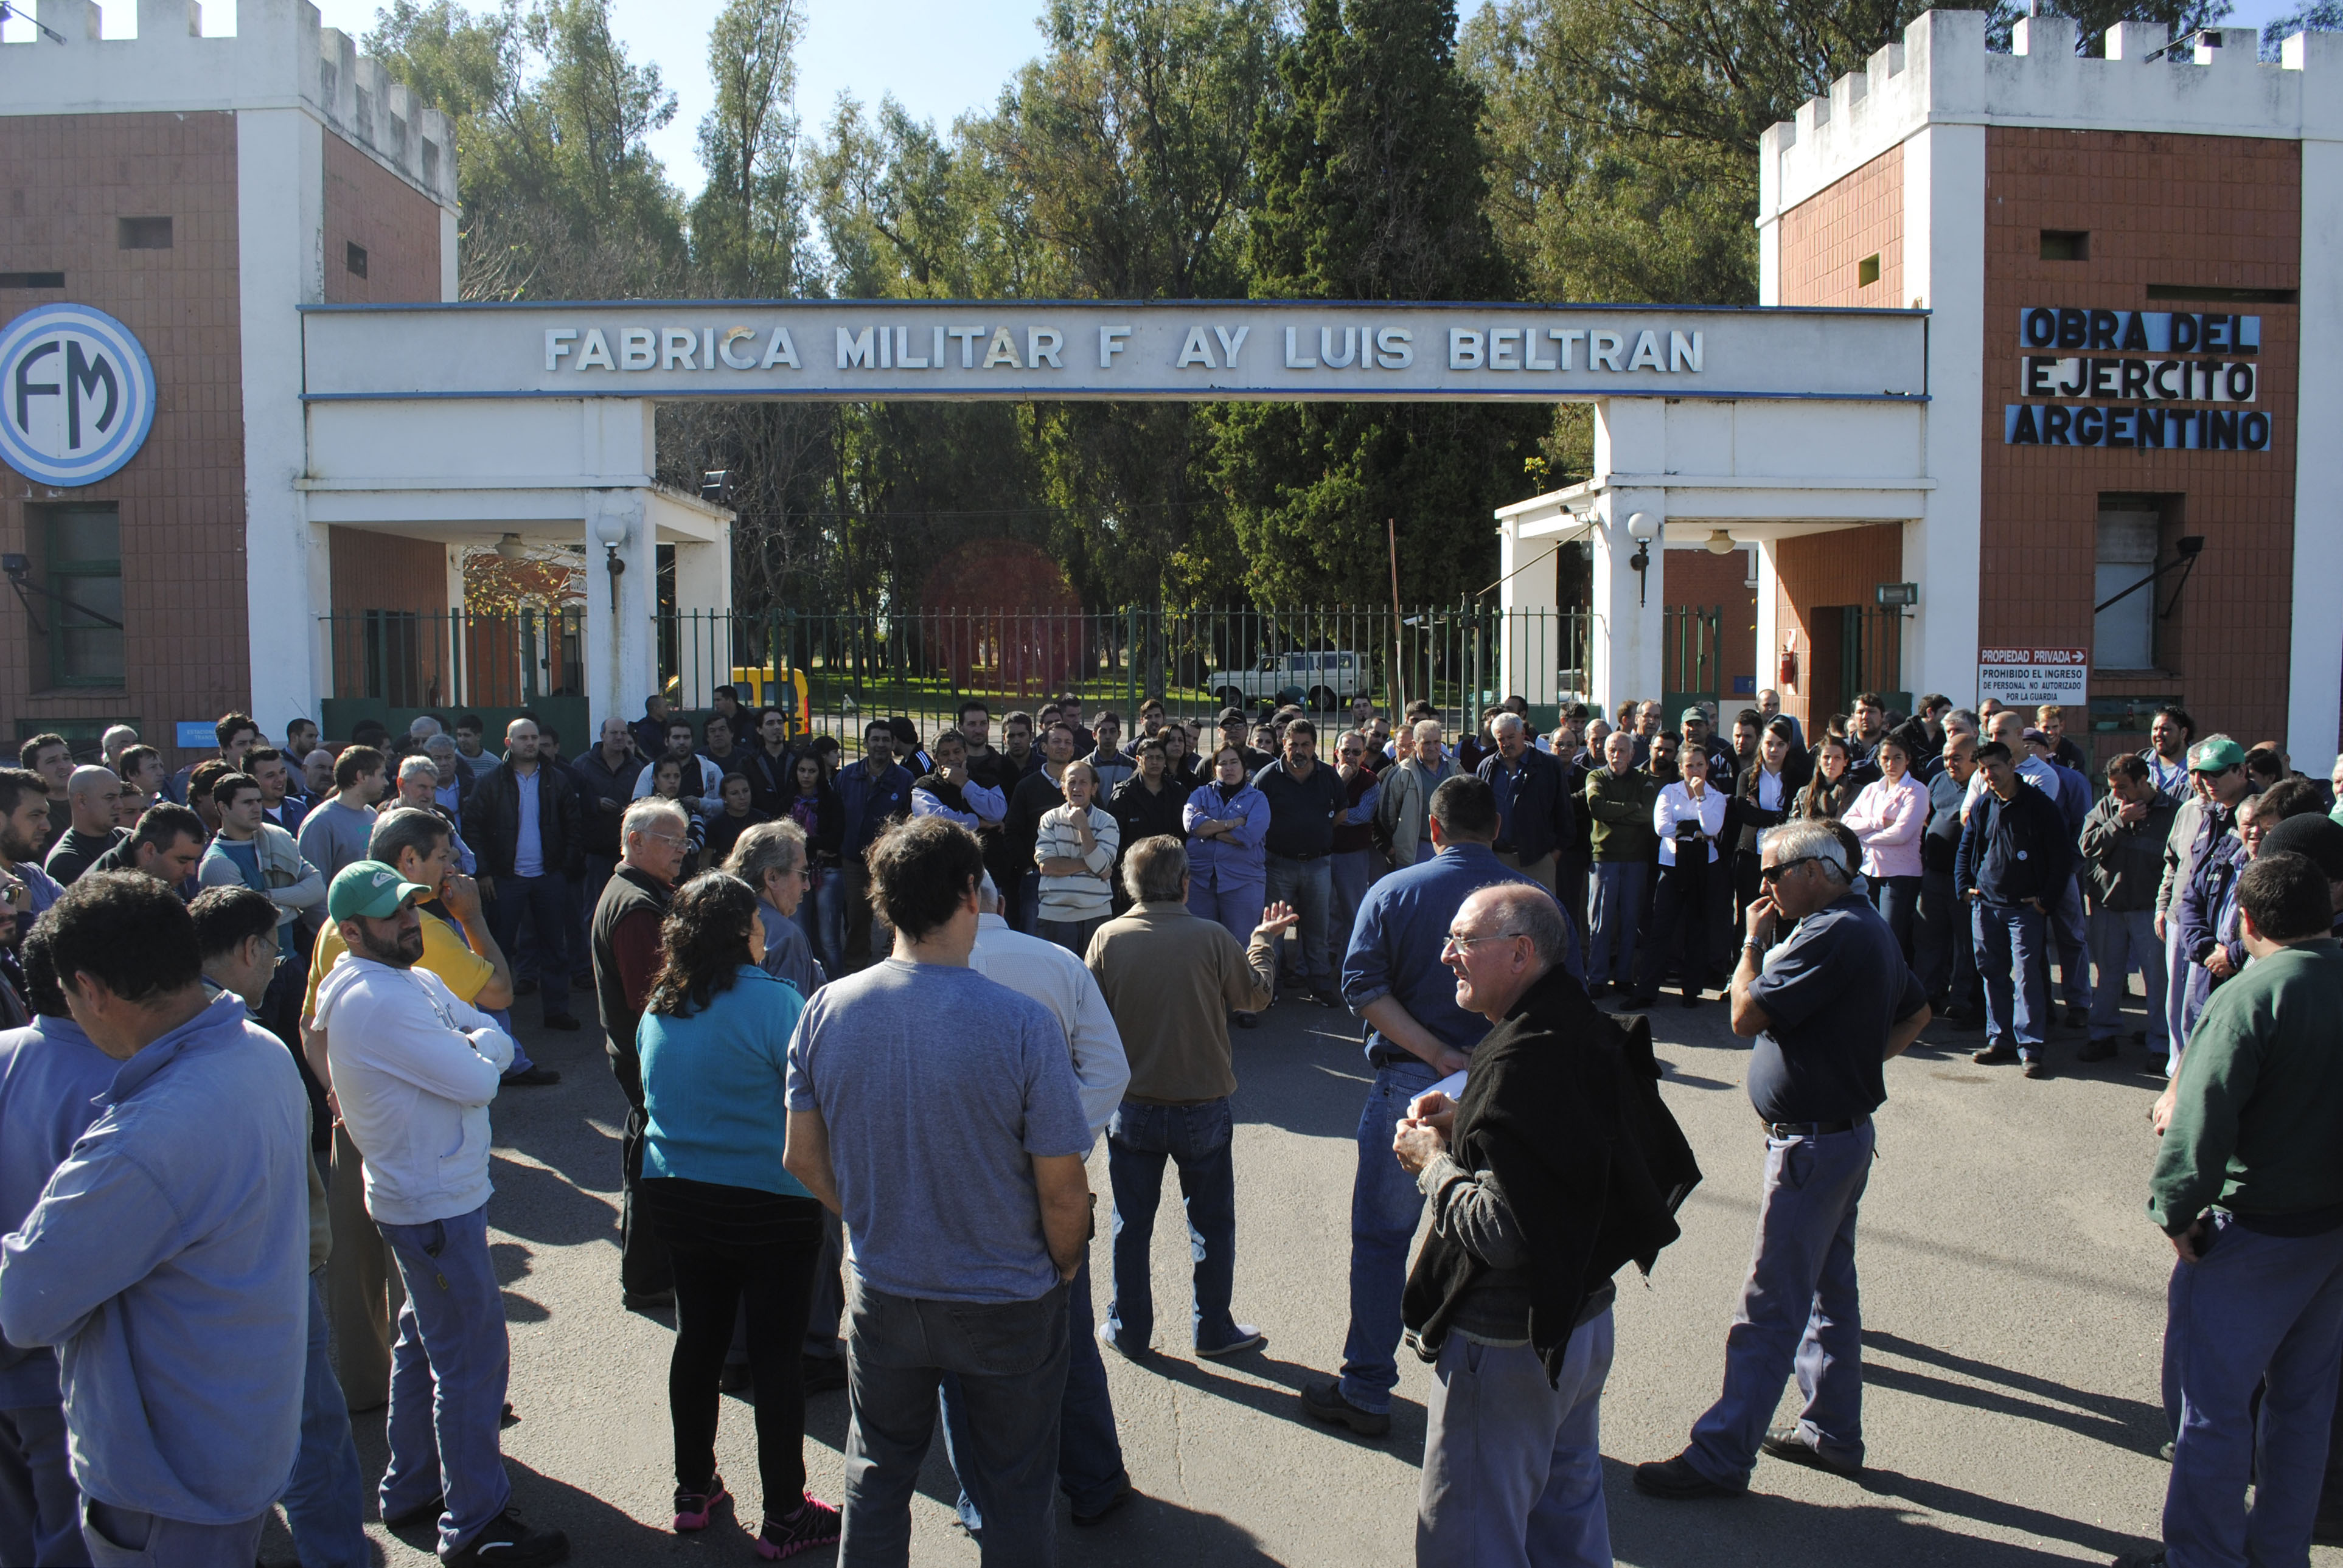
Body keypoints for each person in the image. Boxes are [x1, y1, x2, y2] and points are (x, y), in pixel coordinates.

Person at [782, 817, 1093, 1566]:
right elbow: (1061, 1191)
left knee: (877, 1472)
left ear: (883, 901)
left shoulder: (826, 1008)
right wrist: (1065, 1266)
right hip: (1008, 1295)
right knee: (1014, 1486)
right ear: (970, 895)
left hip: (887, 1286)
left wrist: (875, 1219)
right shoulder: (1021, 1024)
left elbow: (801, 1157)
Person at [0, 872, 312, 1568]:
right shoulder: (257, 1051)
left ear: (93, 989)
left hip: (170, 1484)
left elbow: (23, 1305)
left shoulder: (146, 1141)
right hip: (244, 1431)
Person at [1397, 884, 1698, 1568]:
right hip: (1581, 1325)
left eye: (1463, 942)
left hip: (1508, 1344)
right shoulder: (1571, 1021)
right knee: (1566, 1519)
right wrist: (1469, 1124)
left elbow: (1503, 1233)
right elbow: (1564, 1152)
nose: (1447, 955)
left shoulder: (1520, 1061)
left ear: (1520, 953)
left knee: (1470, 1539)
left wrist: (1432, 1162)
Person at [1637, 822, 1929, 1500]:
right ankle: (1831, 1432)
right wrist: (1854, 1065)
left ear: (1819, 870)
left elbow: (1742, 1014)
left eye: (1772, 874)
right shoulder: (1856, 922)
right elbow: (1915, 1012)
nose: (1762, 887)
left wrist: (1747, 946)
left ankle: (1719, 1454)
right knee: (1829, 1291)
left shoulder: (1834, 931)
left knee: (1769, 1303)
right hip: (1835, 1136)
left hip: (1813, 1143)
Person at [312, 861, 567, 1568]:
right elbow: (485, 1070)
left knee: (425, 1343)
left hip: (428, 1199)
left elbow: (485, 1032)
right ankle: (475, 1523)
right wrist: (477, 1046)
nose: (407, 923)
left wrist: (476, 1042)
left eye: (409, 910)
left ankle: (413, 1488)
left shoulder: (402, 981)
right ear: (350, 930)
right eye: (390, 916)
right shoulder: (379, 998)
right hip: (432, 1204)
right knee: (472, 1362)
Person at [1304, 777, 1545, 1438]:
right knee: (1495, 1234)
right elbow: (1559, 1000)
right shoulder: (1530, 902)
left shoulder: (1393, 890)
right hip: (1507, 1081)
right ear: (1495, 827)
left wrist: (1433, 1052)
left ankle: (1366, 1386)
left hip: (1410, 1083)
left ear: (1432, 830)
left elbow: (1359, 984)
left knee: (1383, 1239)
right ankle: (1486, 1390)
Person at [2128, 853, 2343, 1568]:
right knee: (2302, 1410)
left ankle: (2201, 1558)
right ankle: (2279, 1554)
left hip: (2251, 1233)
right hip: (2329, 1236)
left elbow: (2199, 1120)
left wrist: (2175, 1211)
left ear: (2245, 922)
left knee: (2212, 1413)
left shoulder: (2250, 996)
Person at [634, 872, 842, 1558]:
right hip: (767, 1201)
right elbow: (817, 1095)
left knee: (698, 1339)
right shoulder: (779, 1002)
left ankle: (692, 1489)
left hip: (676, 1193)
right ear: (741, 933)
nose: (764, 934)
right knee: (778, 1356)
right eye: (756, 924)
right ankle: (784, 1509)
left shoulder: (660, 1003)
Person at [188, 886, 366, 1568]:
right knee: (314, 1439)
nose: (277, 963)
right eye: (272, 948)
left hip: (221, 1284)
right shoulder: (245, 1043)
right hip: (275, 1277)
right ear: (248, 949)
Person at [956, 872, 1133, 1533]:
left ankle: (981, 1500)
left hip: (960, 1187)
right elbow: (1110, 1071)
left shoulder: (914, 973)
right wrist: (1056, 1144)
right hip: (1052, 1187)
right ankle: (1092, 1479)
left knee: (961, 1354)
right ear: (998, 900)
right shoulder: (1055, 961)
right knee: (1064, 1337)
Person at [1088, 838, 1286, 1367]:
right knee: (1211, 1223)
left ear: (1128, 884)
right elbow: (1255, 996)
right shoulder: (1213, 937)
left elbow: (1090, 1023)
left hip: (1132, 1104)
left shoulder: (1108, 937)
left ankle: (1129, 1329)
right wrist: (1262, 943)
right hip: (1201, 1101)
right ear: (1184, 883)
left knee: (1131, 1223)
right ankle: (1212, 1327)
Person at [0, 919, 120, 1568]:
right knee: (72, 1539)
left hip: (8, 1355)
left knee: (14, 1535)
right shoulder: (115, 1084)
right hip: (64, 1365)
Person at [593, 799, 693, 1311]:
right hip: (645, 1060)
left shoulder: (645, 893)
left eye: (684, 840)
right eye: (670, 841)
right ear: (634, 841)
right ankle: (650, 1277)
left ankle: (648, 1273)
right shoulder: (636, 907)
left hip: (636, 1055)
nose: (682, 850)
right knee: (652, 1174)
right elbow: (652, 998)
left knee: (644, 1163)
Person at [1958, 741, 2073, 1077]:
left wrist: (2044, 900)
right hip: (1986, 905)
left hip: (2025, 909)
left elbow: (2061, 858)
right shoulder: (1983, 805)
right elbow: (1967, 848)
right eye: (1983, 769)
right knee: (1992, 972)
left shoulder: (2039, 806)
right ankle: (2001, 1039)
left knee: (2026, 977)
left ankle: (2031, 1046)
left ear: (2011, 765)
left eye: (1994, 767)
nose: (1988, 775)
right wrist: (1964, 887)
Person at [464, 718, 585, 1032]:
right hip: (506, 878)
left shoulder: (558, 780)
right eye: (523, 738)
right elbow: (473, 827)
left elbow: (574, 826)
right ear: (509, 743)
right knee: (497, 946)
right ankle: (492, 1015)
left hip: (549, 876)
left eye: (534, 738)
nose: (530, 743)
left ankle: (557, 1011)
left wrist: (564, 868)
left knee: (554, 948)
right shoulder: (491, 782)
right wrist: (484, 872)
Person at [2157, 737, 2256, 1064]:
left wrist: (2234, 952)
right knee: (2193, 1025)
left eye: (2215, 774)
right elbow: (2192, 889)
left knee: (2230, 1043)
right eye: (2201, 774)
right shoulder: (2207, 814)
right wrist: (2203, 947)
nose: (2206, 782)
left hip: (2241, 958)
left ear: (2241, 771)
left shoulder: (2261, 817)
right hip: (2206, 952)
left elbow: (2268, 904)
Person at [2080, 754, 2178, 1066]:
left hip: (2149, 908)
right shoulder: (2108, 807)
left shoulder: (2172, 811)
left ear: (2142, 781)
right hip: (2109, 903)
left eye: (2123, 787)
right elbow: (2087, 845)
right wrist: (2119, 822)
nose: (2117, 794)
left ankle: (2161, 1043)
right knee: (2108, 975)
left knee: (2157, 978)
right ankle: (2102, 1035)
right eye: (2112, 787)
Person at [1251, 719, 1346, 1006]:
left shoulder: (1329, 776)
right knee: (1274, 931)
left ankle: (1319, 985)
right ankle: (1269, 987)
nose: (1300, 751)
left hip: (1318, 865)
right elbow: (1256, 818)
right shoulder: (1267, 777)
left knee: (1318, 930)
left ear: (1315, 746)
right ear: (1284, 744)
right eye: (1294, 745)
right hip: (1278, 865)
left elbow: (1341, 814)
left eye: (1306, 744)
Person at [1630, 745, 1726, 1010]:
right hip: (1672, 866)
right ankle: (1647, 991)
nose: (1694, 770)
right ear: (1681, 768)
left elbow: (1712, 827)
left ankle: (1692, 991)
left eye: (1699, 765)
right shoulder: (1668, 792)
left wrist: (1699, 798)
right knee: (1661, 928)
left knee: (1697, 928)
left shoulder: (1715, 797)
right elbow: (1662, 827)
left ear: (1707, 767)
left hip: (1704, 866)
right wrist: (1693, 831)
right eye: (1689, 765)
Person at [1183, 748, 1270, 1022]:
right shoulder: (1200, 794)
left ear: (1244, 767)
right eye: (1223, 763)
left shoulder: (1257, 799)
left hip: (1243, 881)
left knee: (1241, 942)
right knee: (1201, 944)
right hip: (1200, 880)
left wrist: (1211, 831)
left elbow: (1251, 835)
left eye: (1234, 763)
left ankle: (1245, 1003)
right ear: (1215, 768)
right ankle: (1207, 1002)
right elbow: (1192, 825)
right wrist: (1233, 824)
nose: (1229, 768)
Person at [1583, 730, 1658, 999]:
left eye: (1622, 751)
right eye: (1611, 750)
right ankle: (1598, 979)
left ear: (1632, 754)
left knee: (1630, 921)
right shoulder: (1596, 777)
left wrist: (1621, 812)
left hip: (1636, 860)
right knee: (1600, 924)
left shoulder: (1643, 780)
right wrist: (1632, 807)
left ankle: (1625, 977)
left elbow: (1649, 815)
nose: (1616, 756)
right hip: (1605, 859)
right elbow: (1598, 809)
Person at [1917, 732, 1983, 1027]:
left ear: (1974, 757)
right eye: (1945, 757)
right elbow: (1928, 817)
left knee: (1965, 944)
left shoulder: (1981, 785)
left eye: (1956, 758)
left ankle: (1961, 999)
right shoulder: (1938, 780)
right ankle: (1930, 993)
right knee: (1930, 937)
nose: (1949, 763)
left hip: (1965, 878)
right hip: (1934, 873)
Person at [1840, 734, 1927, 962]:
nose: (1891, 764)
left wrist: (1864, 838)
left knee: (1890, 934)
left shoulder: (1917, 791)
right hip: (1869, 870)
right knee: (1867, 931)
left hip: (1900, 875)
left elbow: (1901, 834)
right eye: (1886, 758)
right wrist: (1877, 823)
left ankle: (1894, 988)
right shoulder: (1871, 790)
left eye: (1897, 758)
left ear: (1907, 759)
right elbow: (1847, 824)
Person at [835, 721, 915, 968]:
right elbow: (833, 814)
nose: (880, 745)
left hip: (889, 861)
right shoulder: (847, 776)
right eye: (875, 739)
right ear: (866, 743)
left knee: (893, 915)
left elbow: (909, 819)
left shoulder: (904, 779)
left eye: (885, 740)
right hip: (853, 860)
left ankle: (895, 965)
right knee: (857, 917)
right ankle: (854, 967)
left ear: (893, 744)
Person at [1478, 712, 1575, 902]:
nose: (1506, 743)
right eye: (1501, 739)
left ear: (1523, 734)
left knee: (1540, 919)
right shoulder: (1487, 767)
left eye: (1511, 737)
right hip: (1498, 859)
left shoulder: (1549, 766)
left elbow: (1564, 813)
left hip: (1538, 859)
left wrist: (1552, 856)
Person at [726, 819, 827, 1001]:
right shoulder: (786, 937)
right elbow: (794, 1020)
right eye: (803, 874)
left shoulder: (719, 917)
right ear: (772, 877)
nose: (807, 886)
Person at [1032, 759, 1119, 957]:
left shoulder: (1107, 823)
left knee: (1095, 981)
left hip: (1096, 916)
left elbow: (1102, 864)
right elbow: (1047, 866)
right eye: (1071, 782)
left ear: (1094, 788)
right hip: (1055, 916)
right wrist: (1091, 865)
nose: (1077, 788)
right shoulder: (1049, 819)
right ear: (1063, 788)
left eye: (1083, 783)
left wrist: (1083, 826)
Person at [779, 753, 845, 973]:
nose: (806, 776)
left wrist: (803, 844)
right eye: (802, 770)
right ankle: (806, 987)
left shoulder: (831, 800)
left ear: (820, 773)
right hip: (795, 872)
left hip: (827, 871)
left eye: (812, 771)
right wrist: (814, 846)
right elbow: (781, 837)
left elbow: (835, 839)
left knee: (829, 940)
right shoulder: (788, 800)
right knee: (800, 932)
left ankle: (837, 986)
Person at [297, 746, 385, 883]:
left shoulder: (371, 814)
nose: (386, 782)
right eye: (382, 775)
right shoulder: (320, 822)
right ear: (361, 776)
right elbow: (314, 884)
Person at [1327, 731, 1383, 940]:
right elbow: (1316, 806)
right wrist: (1341, 781)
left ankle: (1350, 958)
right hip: (1324, 853)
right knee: (1322, 910)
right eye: (1345, 751)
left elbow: (1362, 815)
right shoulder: (1326, 775)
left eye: (1356, 752)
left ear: (1364, 755)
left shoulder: (1370, 781)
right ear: (1336, 753)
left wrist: (1330, 813)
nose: (1350, 756)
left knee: (1353, 910)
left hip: (1354, 855)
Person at [1376, 720, 1447, 870]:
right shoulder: (1401, 773)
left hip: (1447, 849)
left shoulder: (1454, 769)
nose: (1432, 747)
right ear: (1415, 744)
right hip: (1414, 851)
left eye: (1437, 742)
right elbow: (1387, 815)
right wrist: (1403, 836)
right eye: (1427, 743)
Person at [43, 766, 124, 887]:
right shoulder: (66, 861)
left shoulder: (126, 837)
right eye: (110, 798)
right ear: (82, 801)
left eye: (120, 797)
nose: (119, 805)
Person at [702, 772, 767, 870]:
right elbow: (704, 861)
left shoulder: (763, 820)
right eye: (734, 793)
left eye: (745, 791)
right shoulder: (714, 825)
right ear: (724, 797)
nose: (742, 797)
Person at [1798, 737, 1861, 820]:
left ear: (1845, 762)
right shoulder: (1804, 794)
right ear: (1819, 761)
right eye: (1826, 757)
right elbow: (1793, 825)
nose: (1831, 762)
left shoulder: (1858, 793)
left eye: (1837, 758)